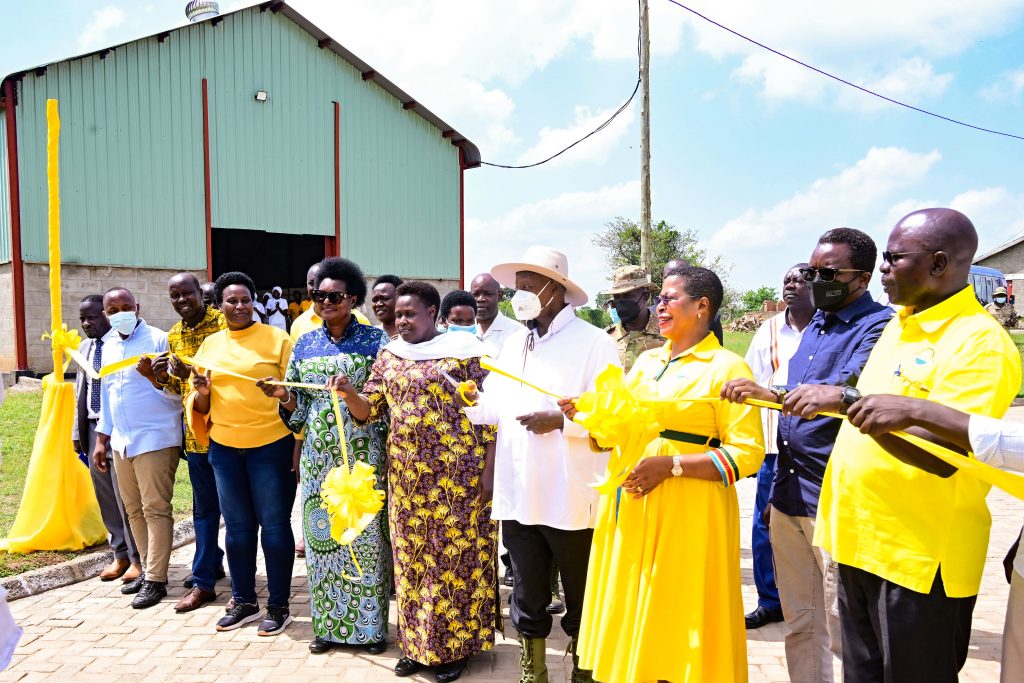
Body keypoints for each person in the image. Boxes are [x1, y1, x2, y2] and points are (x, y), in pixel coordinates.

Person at [811, 208, 1022, 682]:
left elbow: (942, 456)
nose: (882, 269)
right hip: (859, 543)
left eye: (892, 258)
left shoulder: (979, 343)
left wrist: (847, 403)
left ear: (940, 262)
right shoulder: (899, 324)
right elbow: (871, 411)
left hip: (919, 560)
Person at [559, 265, 764, 682]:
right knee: (633, 596)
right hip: (632, 503)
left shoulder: (727, 367)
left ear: (702, 306)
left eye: (669, 298)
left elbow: (747, 454)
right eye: (659, 299)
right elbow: (624, 428)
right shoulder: (648, 362)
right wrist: (593, 419)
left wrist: (670, 466)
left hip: (689, 506)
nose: (659, 306)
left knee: (678, 602)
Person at [730, 229, 892, 682]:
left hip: (834, 497)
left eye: (827, 273)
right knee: (801, 621)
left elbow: (856, 386)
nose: (814, 280)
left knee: (844, 628)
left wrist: (828, 394)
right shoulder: (818, 323)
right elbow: (797, 386)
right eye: (811, 271)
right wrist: (767, 392)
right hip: (789, 490)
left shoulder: (879, 326)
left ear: (861, 278)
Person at [463, 246, 620, 682]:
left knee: (581, 590)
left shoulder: (594, 344)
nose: (521, 296)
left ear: (557, 290)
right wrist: (474, 402)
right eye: (518, 288)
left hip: (569, 494)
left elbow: (612, 420)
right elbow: (495, 406)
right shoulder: (516, 344)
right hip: (520, 495)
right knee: (528, 592)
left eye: (529, 287)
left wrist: (563, 422)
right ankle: (534, 670)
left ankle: (584, 667)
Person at [334, 281, 497, 682]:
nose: (402, 321)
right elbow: (367, 411)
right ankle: (416, 645)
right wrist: (350, 392)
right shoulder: (390, 356)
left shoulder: (466, 355)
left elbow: (493, 414)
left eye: (411, 314)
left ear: (433, 314)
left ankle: (454, 648)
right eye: (399, 314)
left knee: (453, 562)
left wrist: (490, 472)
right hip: (408, 478)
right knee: (412, 562)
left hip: (460, 478)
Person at [259, 257, 392, 655]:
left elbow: (380, 403)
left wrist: (352, 394)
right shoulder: (306, 342)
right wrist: (283, 394)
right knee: (322, 539)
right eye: (319, 296)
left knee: (364, 537)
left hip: (362, 453)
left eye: (334, 296)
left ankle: (369, 629)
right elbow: (300, 404)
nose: (325, 301)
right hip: (319, 455)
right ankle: (329, 627)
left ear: (353, 298)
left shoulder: (375, 342)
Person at [844, 396, 1024, 683]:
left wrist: (917, 411)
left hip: (924, 558)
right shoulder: (889, 348)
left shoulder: (984, 350)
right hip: (861, 542)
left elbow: (948, 456)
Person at [186, 271, 296, 636]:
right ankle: (244, 601)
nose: (239, 306)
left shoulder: (278, 340)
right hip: (225, 448)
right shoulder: (210, 345)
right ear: (219, 305)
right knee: (236, 529)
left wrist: (280, 394)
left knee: (275, 527)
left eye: (245, 299)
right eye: (231, 301)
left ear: (255, 302)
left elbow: (296, 397)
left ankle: (279, 606)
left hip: (270, 446)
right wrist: (201, 390)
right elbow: (200, 402)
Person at [92, 287, 182, 609]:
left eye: (126, 306)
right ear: (106, 315)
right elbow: (108, 396)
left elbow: (176, 394)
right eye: (113, 309)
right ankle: (146, 570)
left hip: (155, 438)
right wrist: (102, 439)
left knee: (155, 508)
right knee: (133, 510)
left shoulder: (159, 340)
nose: (120, 313)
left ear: (138, 307)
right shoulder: (109, 345)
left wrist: (152, 379)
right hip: (121, 441)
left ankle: (157, 580)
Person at [735, 264, 812, 631]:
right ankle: (770, 600)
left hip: (814, 447)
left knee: (813, 527)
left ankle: (816, 601)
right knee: (764, 525)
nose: (791, 285)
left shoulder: (830, 328)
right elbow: (749, 379)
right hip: (772, 445)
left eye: (800, 279)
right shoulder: (768, 329)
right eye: (787, 280)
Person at [151, 273, 227, 613]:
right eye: (175, 295)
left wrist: (191, 376)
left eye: (187, 293)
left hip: (230, 433)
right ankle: (204, 578)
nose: (182, 300)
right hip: (197, 440)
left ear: (201, 294)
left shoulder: (224, 325)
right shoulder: (174, 335)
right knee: (205, 511)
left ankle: (224, 571)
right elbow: (176, 390)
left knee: (239, 514)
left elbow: (231, 377)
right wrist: (161, 378)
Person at [72, 294, 141, 583]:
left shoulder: (121, 344)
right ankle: (120, 553)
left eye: (93, 317)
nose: (88, 324)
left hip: (117, 429)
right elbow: (80, 390)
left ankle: (139, 557)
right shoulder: (85, 347)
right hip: (91, 428)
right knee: (106, 496)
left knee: (126, 496)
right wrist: (77, 432)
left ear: (106, 315)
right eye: (83, 319)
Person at [603, 265, 662, 372]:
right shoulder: (606, 339)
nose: (621, 303)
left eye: (627, 296)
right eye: (617, 297)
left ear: (645, 297)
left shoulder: (668, 334)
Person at [663, 258, 724, 344]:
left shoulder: (708, 316)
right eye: (668, 276)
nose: (673, 280)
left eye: (680, 276)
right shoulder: (652, 313)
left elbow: (718, 347)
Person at [469, 272, 523, 358]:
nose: (480, 299)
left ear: (500, 295)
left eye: (488, 294)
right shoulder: (464, 331)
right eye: (475, 294)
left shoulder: (517, 332)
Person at [370, 274, 403, 340]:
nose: (378, 304)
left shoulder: (413, 334)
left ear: (401, 299)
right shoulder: (369, 336)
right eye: (375, 300)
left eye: (385, 298)